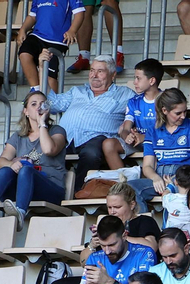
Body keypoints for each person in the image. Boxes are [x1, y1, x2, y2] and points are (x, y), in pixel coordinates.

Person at [0, 90, 67, 222]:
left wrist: (42, 124)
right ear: (26, 111)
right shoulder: (18, 137)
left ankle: (20, 213)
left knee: (26, 170)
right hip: (23, 188)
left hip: (51, 189)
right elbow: (1, 161)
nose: (39, 108)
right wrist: (12, 164)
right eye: (34, 104)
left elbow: (49, 150)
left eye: (42, 104)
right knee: (6, 170)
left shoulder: (57, 130)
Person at [41, 53, 133, 186]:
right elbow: (53, 104)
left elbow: (140, 110)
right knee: (45, 152)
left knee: (91, 153)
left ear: (113, 75)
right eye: (92, 70)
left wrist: (128, 127)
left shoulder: (125, 94)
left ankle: (79, 193)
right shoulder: (77, 91)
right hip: (67, 138)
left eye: (100, 71)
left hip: (96, 138)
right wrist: (42, 69)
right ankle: (53, 192)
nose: (94, 75)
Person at [139, 88, 190, 209]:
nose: (183, 116)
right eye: (178, 113)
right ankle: (142, 225)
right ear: (164, 111)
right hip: (161, 178)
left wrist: (178, 179)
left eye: (185, 112)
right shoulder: (153, 131)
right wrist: (155, 178)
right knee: (129, 190)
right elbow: (147, 166)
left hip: (185, 178)